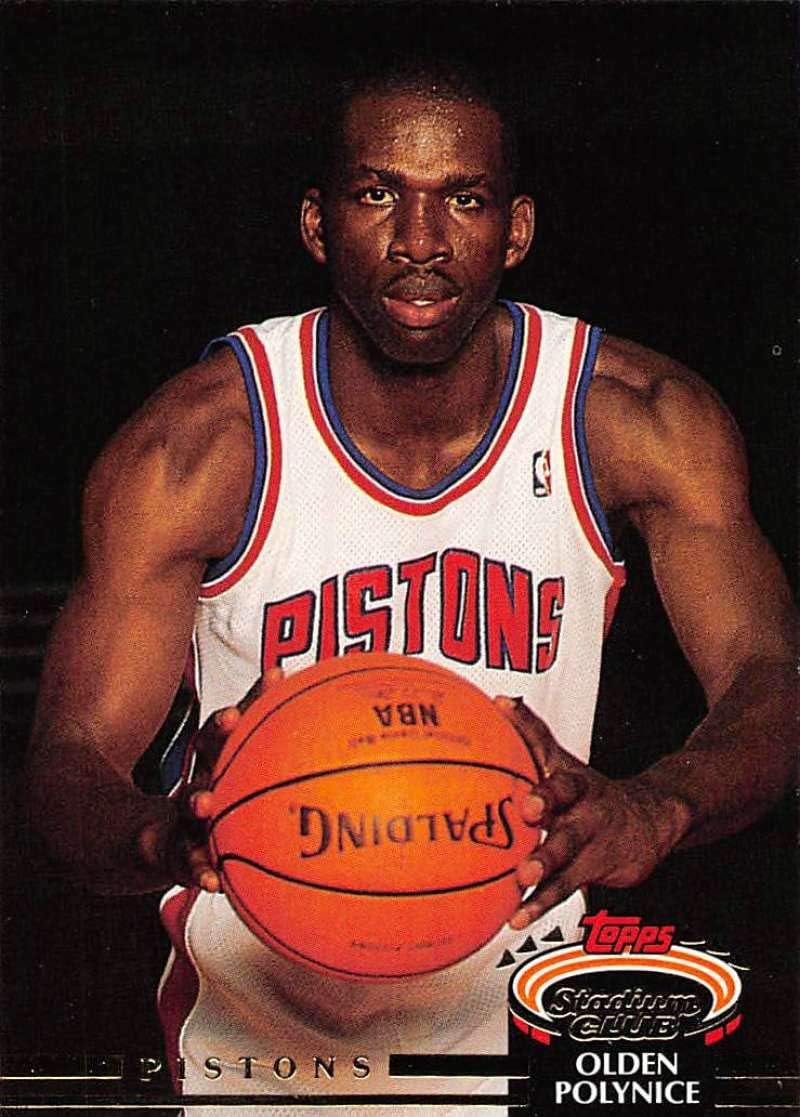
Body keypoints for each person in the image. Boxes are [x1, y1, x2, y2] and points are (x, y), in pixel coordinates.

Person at [28, 61, 796, 1116]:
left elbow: (769, 676)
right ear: (317, 222)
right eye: (377, 192)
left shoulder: (634, 417)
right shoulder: (198, 447)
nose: (421, 240)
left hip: (526, 1035)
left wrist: (656, 808)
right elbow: (67, 755)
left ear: (516, 229)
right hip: (257, 1061)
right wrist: (166, 835)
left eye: (464, 198)